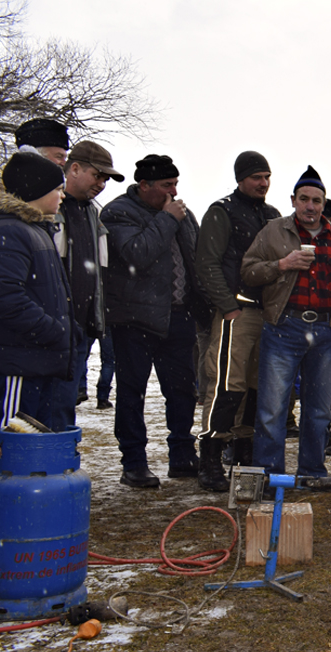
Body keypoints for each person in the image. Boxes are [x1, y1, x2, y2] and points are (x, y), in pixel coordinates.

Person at [242, 166, 331, 478]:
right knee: (272, 410)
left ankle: (312, 472)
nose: (311, 206)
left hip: (325, 330)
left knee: (318, 411)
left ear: (324, 204)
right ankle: (270, 475)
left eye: (317, 200)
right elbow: (248, 271)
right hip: (284, 327)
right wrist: (283, 264)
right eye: (304, 199)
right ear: (293, 200)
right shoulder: (273, 231)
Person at [101, 155, 211, 488]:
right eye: (166, 185)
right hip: (134, 319)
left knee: (182, 391)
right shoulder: (118, 212)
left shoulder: (182, 214)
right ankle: (134, 462)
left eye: (175, 184)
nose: (173, 192)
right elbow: (137, 253)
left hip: (179, 316)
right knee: (131, 392)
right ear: (144, 185)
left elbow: (195, 260)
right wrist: (165, 219)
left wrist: (202, 306)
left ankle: (182, 455)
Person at [194, 151, 280, 491]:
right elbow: (207, 263)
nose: (263, 183)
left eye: (267, 177)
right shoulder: (222, 211)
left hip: (268, 314)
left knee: (257, 388)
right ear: (240, 178)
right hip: (237, 312)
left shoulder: (272, 216)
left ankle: (244, 457)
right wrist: (227, 306)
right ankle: (211, 459)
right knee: (227, 385)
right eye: (257, 177)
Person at [0, 153, 73, 469]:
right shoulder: (8, 231)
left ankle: (20, 508)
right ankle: (1, 513)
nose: (62, 195)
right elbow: (1, 294)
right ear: (35, 190)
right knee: (8, 444)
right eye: (57, 188)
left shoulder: (35, 229)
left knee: (27, 447)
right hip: (16, 364)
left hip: (34, 361)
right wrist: (50, 329)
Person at [53, 141, 123, 426]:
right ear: (75, 168)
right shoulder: (51, 208)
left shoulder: (93, 213)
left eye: (106, 178)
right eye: (98, 175)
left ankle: (63, 459)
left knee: (65, 404)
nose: (102, 183)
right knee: (47, 404)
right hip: (53, 327)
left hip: (82, 326)